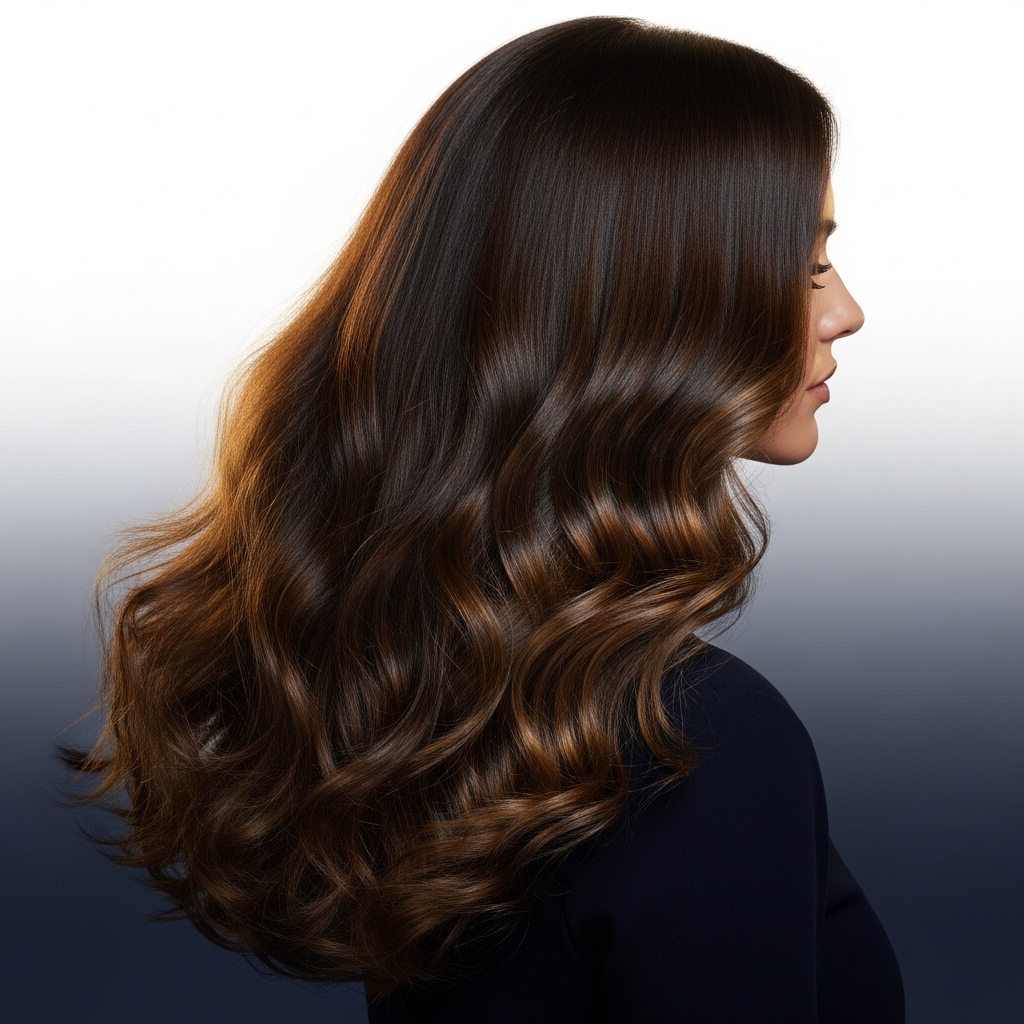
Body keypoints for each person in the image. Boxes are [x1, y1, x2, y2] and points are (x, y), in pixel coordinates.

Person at [64, 16, 904, 1023]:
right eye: (805, 267)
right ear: (640, 304)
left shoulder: (436, 695)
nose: (845, 311)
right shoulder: (697, 743)